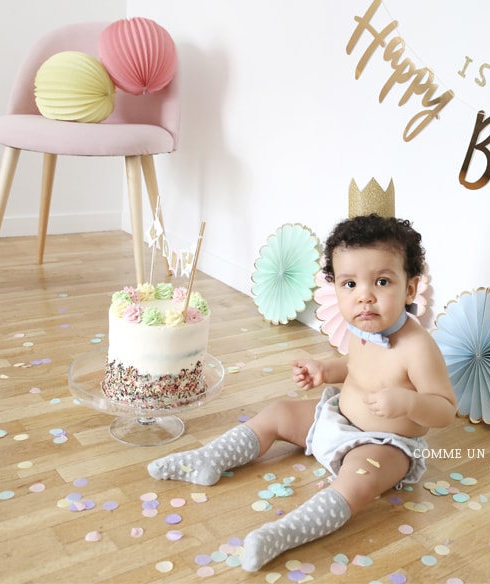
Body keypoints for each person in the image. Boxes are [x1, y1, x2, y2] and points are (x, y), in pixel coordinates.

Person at [147, 214, 457, 572]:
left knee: (361, 480)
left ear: (410, 288)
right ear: (335, 287)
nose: (365, 297)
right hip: (337, 418)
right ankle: (207, 459)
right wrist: (327, 370)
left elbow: (446, 409)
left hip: (383, 444)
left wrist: (411, 402)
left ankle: (284, 532)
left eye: (382, 281)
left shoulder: (418, 348)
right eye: (350, 284)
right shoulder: (363, 328)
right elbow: (354, 365)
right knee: (279, 412)